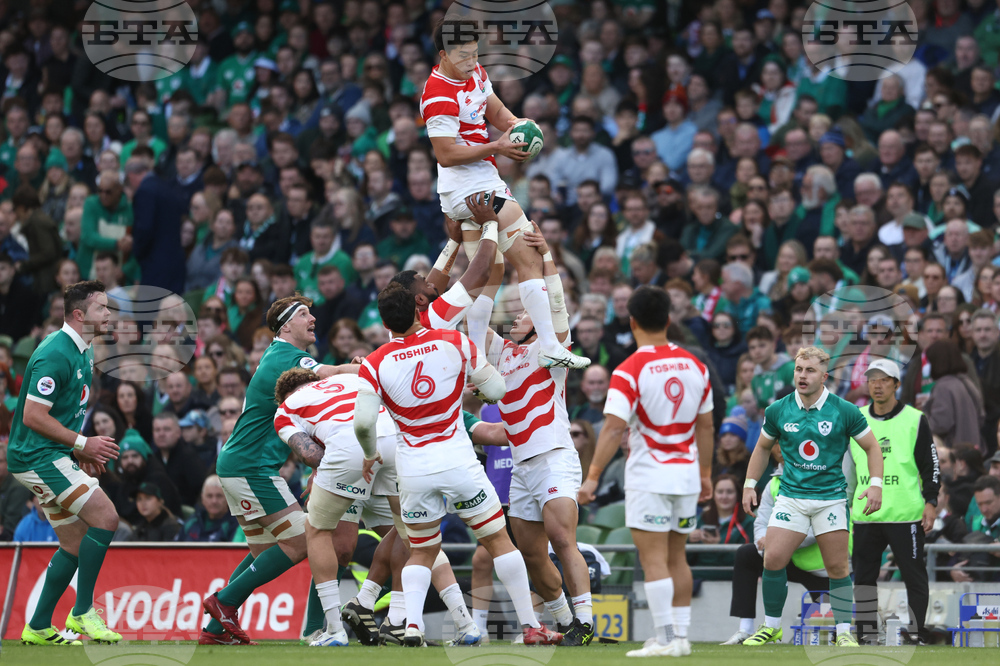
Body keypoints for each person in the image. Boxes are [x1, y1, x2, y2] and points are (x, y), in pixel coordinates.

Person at [354, 282, 562, 647]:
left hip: (414, 469)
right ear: (419, 311)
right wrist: (469, 385)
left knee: (421, 549)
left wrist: (371, 453)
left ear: (385, 321)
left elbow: (362, 423)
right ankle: (531, 627)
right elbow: (496, 391)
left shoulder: (373, 362)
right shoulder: (454, 341)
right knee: (498, 540)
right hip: (458, 461)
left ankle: (413, 627)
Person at [420, 21, 588, 371]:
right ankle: (551, 346)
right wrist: (496, 145)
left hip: (480, 178)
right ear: (443, 54)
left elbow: (493, 108)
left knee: (491, 274)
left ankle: (478, 360)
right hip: (467, 185)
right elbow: (446, 154)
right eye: (464, 55)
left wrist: (514, 125)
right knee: (529, 258)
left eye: (475, 52)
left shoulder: (475, 70)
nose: (472, 60)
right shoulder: (437, 93)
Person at [466, 226, 595, 645]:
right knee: (532, 553)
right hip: (521, 464)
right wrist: (481, 255)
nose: (518, 316)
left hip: (554, 453)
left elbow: (554, 304)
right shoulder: (502, 354)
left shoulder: (552, 352)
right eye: (517, 313)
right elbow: (474, 318)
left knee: (561, 538)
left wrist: (547, 260)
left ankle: (587, 621)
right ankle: (563, 621)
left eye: (522, 312)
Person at [202, 295, 353, 645]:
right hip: (252, 468)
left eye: (312, 312)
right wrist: (365, 369)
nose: (312, 318)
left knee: (262, 553)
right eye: (303, 314)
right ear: (286, 326)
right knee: (305, 542)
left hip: (242, 464)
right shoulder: (287, 357)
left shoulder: (278, 355)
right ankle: (223, 603)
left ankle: (214, 631)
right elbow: (328, 375)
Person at [579, 286, 715, 658]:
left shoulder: (628, 371)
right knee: (677, 558)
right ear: (669, 320)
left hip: (649, 474)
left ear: (632, 321)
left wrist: (592, 476)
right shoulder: (696, 365)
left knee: (653, 560)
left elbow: (611, 429)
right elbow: (706, 426)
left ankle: (665, 637)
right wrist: (705, 473)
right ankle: (681, 638)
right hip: (686, 473)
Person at [741, 346, 883, 647]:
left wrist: (876, 484)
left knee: (837, 567)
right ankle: (772, 627)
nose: (802, 376)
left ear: (824, 376)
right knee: (773, 559)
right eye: (798, 369)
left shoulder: (844, 410)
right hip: (791, 496)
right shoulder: (778, 409)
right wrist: (750, 484)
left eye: (810, 371)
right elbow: (763, 447)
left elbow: (872, 447)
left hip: (830, 499)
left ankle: (844, 632)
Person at [7, 280, 122, 645]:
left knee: (74, 543)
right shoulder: (56, 353)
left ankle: (38, 625)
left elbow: (61, 414)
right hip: (36, 456)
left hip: (51, 455)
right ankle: (83, 610)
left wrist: (75, 451)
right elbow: (32, 416)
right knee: (105, 518)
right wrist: (83, 443)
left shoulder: (84, 349)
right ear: (79, 314)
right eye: (102, 307)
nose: (108, 313)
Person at [848, 359, 940, 645]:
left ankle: (916, 631)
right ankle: (865, 633)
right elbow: (848, 468)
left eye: (884, 379)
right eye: (872, 379)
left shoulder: (914, 419)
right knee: (863, 577)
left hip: (905, 513)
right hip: (865, 513)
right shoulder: (856, 418)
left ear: (896, 384)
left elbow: (931, 465)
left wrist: (931, 502)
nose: (877, 384)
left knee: (914, 576)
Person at [721, 444, 832, 645]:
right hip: (784, 560)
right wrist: (764, 544)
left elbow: (817, 528)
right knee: (746, 554)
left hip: (822, 570)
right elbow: (761, 522)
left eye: (786, 440)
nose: (780, 447)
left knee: (830, 635)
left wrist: (775, 542)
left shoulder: (818, 477)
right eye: (776, 443)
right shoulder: (773, 484)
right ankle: (745, 629)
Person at [178, 475, 239, 542]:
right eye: (209, 496)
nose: (214, 501)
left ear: (228, 499)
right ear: (202, 498)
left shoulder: (236, 525)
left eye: (219, 496)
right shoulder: (192, 521)